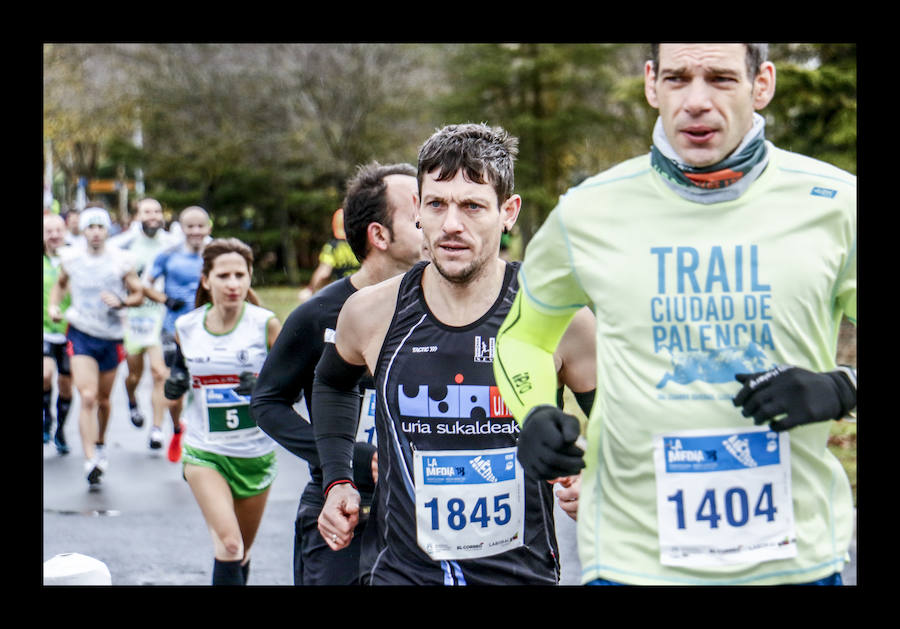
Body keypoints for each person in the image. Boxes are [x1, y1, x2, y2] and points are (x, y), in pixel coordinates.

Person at [493, 43, 856, 586]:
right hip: (633, 560)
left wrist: (843, 389)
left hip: (794, 558)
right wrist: (536, 414)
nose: (697, 101)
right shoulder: (588, 212)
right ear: (651, 84)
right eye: (679, 78)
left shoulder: (836, 204)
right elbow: (522, 341)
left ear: (763, 85)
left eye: (721, 79)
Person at [312, 123, 596, 585]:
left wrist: (598, 478)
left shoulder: (560, 318)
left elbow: (619, 419)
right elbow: (331, 383)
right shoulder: (370, 313)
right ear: (417, 209)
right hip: (401, 572)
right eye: (437, 204)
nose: (451, 225)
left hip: (519, 573)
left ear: (508, 212)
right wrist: (338, 477)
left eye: (472, 206)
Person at [250, 162, 426, 585]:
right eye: (419, 214)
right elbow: (268, 401)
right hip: (344, 506)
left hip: (427, 510)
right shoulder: (319, 314)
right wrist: (345, 459)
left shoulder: (448, 310)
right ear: (379, 236)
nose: (435, 221)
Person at [162, 237, 282, 586]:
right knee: (229, 544)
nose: (233, 284)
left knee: (240, 550)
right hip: (205, 451)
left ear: (249, 278)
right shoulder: (187, 327)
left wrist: (263, 385)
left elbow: (293, 384)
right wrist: (175, 385)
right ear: (206, 280)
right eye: (224, 276)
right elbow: (180, 375)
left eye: (240, 275)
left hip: (255, 454)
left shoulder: (266, 325)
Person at [49, 207, 145, 490]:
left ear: (107, 231)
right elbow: (60, 285)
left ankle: (100, 443)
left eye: (100, 227)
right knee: (87, 396)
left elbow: (138, 293)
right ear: (83, 231)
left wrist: (123, 302)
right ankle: (90, 459)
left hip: (111, 337)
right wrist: (55, 306)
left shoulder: (120, 261)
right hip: (80, 334)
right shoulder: (72, 259)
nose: (95, 232)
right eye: (90, 227)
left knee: (104, 400)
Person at [144, 205, 212, 459]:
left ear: (208, 228)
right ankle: (175, 427)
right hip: (173, 330)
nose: (195, 231)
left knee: (206, 384)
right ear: (181, 229)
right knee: (174, 390)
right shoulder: (168, 254)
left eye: (200, 226)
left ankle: (203, 439)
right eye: (190, 227)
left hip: (207, 329)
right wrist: (164, 298)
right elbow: (145, 286)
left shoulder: (216, 253)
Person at [108, 198, 179, 440]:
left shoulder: (172, 243)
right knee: (135, 375)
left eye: (158, 211)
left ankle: (157, 429)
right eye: (147, 211)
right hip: (132, 316)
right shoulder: (123, 243)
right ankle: (131, 398)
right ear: (137, 215)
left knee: (160, 372)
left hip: (161, 316)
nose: (153, 216)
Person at [43, 213, 73, 454]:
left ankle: (60, 430)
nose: (54, 235)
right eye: (48, 231)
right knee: (44, 376)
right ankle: (46, 419)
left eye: (57, 230)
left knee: (66, 386)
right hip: (44, 330)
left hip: (70, 332)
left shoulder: (75, 259)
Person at [297, 209, 360, 301]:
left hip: (344, 293)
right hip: (365, 290)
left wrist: (310, 289)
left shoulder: (333, 246)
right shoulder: (363, 244)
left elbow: (324, 273)